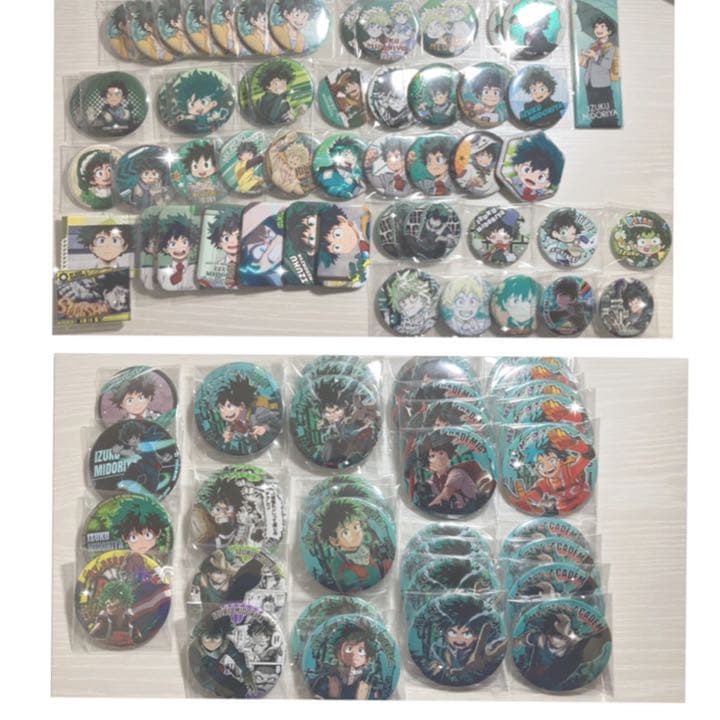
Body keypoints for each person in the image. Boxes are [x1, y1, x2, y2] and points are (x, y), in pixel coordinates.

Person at [579, 14, 620, 128]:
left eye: (602, 27)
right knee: (594, 110)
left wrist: (595, 56)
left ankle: (610, 126)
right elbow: (588, 65)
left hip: (602, 85)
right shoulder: (593, 45)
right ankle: (596, 124)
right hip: (589, 82)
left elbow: (607, 65)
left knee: (606, 111)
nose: (598, 29)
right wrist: (585, 57)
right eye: (596, 27)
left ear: (609, 31)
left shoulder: (611, 48)